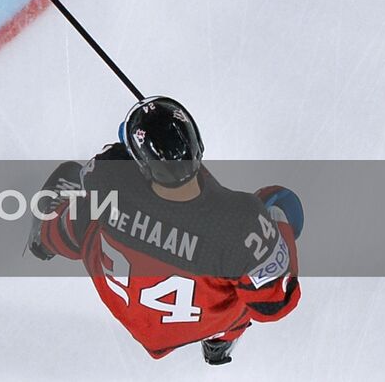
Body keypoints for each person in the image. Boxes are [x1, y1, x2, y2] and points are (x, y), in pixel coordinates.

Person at [28, 96, 302, 365]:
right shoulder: (240, 222)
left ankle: (46, 236)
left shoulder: (109, 176)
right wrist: (275, 229)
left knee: (87, 217)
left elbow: (100, 166)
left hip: (136, 316)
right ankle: (220, 342)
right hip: (204, 319)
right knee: (277, 203)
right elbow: (275, 305)